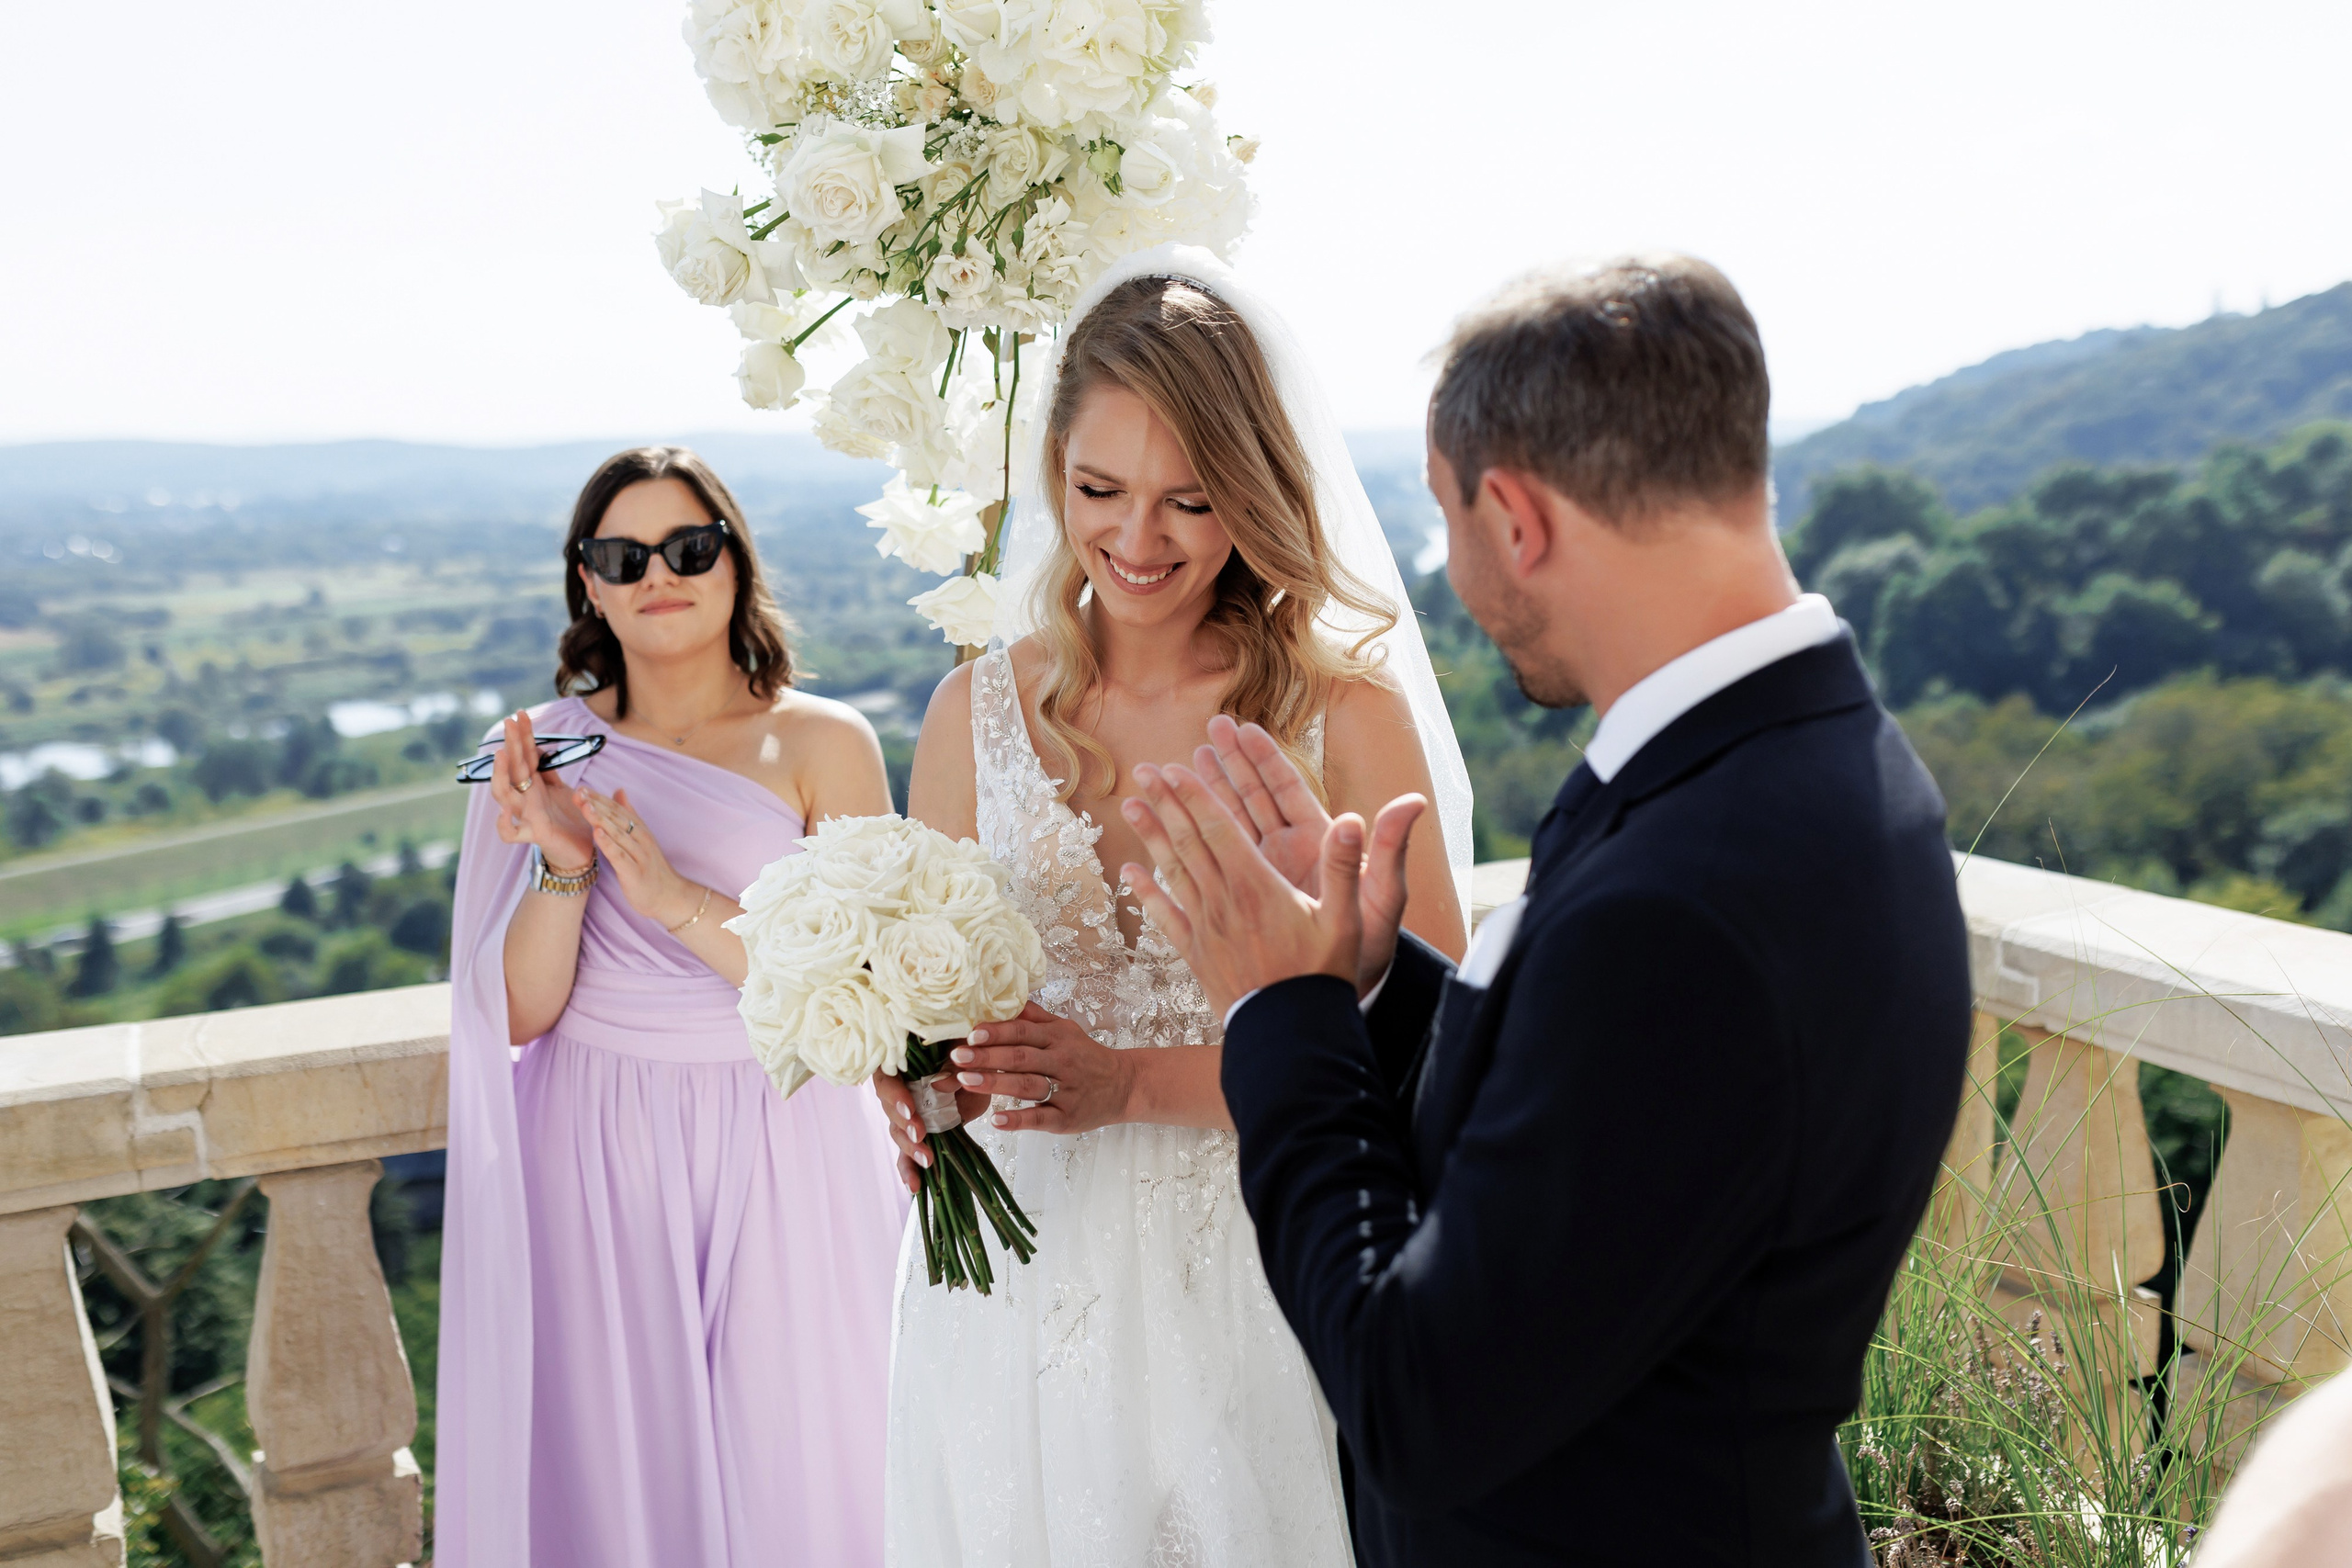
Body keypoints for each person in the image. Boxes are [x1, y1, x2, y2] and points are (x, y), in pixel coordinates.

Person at [1123, 256, 1973, 1566]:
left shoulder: (1688, 892)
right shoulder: (1799, 763)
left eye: (1444, 520)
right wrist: (1366, 979)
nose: (1448, 571)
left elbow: (1417, 1403)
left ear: (1513, 516)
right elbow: (1602, 1143)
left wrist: (1276, 1010)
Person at [872, 244, 1475, 1567]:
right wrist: (924, 1080)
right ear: (1054, 479)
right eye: (1101, 489)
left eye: (1190, 501)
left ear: (1253, 492)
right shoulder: (972, 714)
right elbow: (943, 1005)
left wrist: (1133, 1081)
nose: (1137, 542)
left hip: (1265, 1269)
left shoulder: (1343, 715)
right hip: (1016, 1292)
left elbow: (1430, 1060)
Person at [436, 446, 908, 1568]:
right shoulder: (542, 751)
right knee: (620, 1468)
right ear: (587, 582)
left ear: (736, 563)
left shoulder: (823, 741)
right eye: (625, 554)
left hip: (788, 1138)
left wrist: (675, 900)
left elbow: (861, 994)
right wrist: (564, 866)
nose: (662, 573)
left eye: (690, 547)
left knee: (801, 1460)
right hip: (596, 1143)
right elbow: (515, 1015)